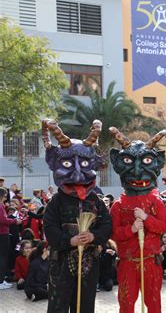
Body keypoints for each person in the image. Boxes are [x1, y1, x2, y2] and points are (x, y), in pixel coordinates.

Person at [41, 119, 112, 312]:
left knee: (85, 305)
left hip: (89, 261)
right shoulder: (56, 201)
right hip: (62, 262)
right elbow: (49, 227)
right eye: (68, 164)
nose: (78, 174)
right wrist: (69, 240)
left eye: (84, 164)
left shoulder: (95, 200)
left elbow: (106, 224)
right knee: (59, 304)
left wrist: (94, 237)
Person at [109, 128, 166, 313]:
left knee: (153, 304)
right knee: (126, 303)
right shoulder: (118, 205)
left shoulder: (156, 201)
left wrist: (147, 219)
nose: (137, 172)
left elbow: (163, 226)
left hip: (151, 261)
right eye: (128, 162)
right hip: (128, 262)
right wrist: (132, 230)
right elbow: (114, 233)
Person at [0, 187, 23, 290]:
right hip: (3, 234)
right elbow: (3, 220)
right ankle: (0, 281)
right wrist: (15, 221)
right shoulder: (0, 206)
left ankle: (1, 279)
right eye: (5, 194)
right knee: (3, 257)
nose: (6, 196)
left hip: (3, 233)